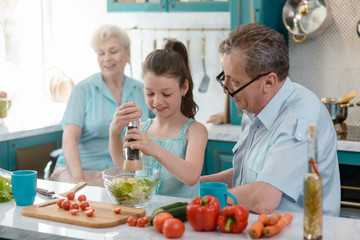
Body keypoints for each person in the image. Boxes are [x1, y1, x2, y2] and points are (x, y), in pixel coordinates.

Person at [200, 23, 340, 216]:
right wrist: (192, 185)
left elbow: (262, 199)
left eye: (235, 81)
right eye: (225, 76)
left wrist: (205, 197)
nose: (226, 88)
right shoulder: (255, 107)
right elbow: (248, 178)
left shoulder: (300, 117)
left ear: (268, 82)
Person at [50, 25, 153, 187]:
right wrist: (78, 181)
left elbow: (158, 129)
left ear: (128, 54)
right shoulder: (83, 89)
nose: (107, 58)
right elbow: (70, 139)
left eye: (113, 51)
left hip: (123, 172)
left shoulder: (142, 91)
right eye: (101, 53)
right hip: (79, 169)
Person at [109, 40, 208, 198]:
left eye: (166, 94)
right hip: (145, 213)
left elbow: (191, 176)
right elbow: (124, 167)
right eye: (150, 93)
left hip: (182, 217)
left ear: (184, 88)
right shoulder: (142, 129)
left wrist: (153, 148)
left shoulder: (195, 131)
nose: (157, 101)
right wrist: (114, 133)